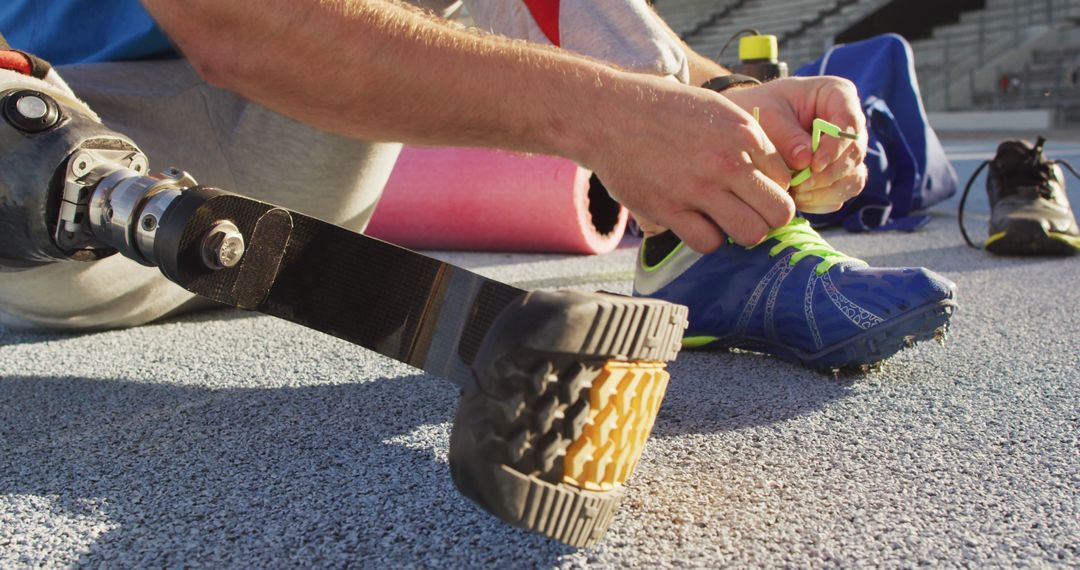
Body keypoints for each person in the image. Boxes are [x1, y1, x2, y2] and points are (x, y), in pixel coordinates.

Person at [0, 0, 956, 545]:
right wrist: (604, 117)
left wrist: (726, 106)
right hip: (64, 152)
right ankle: (94, 193)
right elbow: (238, 22)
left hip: (295, 150)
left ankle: (703, 245)